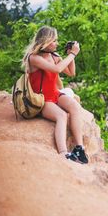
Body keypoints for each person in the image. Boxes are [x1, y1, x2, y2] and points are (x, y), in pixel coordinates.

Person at [22, 26, 88, 164]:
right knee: (61, 116)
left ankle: (79, 148)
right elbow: (57, 69)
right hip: (41, 99)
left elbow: (71, 73)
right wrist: (73, 54)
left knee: (75, 107)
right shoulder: (34, 58)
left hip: (54, 94)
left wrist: (70, 55)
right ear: (45, 41)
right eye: (54, 41)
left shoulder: (54, 56)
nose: (57, 43)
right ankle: (64, 153)